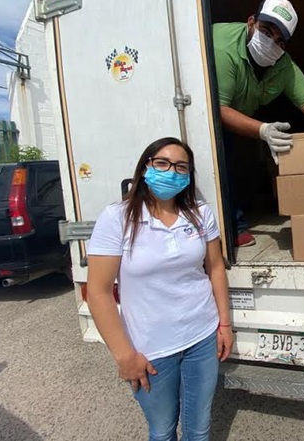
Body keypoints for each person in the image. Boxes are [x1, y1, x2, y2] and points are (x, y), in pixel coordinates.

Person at [86, 137, 233, 441]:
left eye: (181, 167)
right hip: (150, 349)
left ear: (189, 175)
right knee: (162, 430)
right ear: (145, 168)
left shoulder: (200, 213)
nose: (171, 173)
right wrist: (124, 356)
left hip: (202, 336)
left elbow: (216, 267)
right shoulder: (117, 218)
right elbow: (98, 292)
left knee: (199, 429)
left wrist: (224, 325)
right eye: (162, 164)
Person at [213, 0, 304, 247]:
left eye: (279, 40)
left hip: (240, 112)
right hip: (206, 113)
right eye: (266, 31)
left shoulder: (283, 67)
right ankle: (231, 226)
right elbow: (217, 109)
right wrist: (263, 130)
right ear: (251, 22)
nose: (271, 42)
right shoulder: (223, 49)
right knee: (222, 161)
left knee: (240, 160)